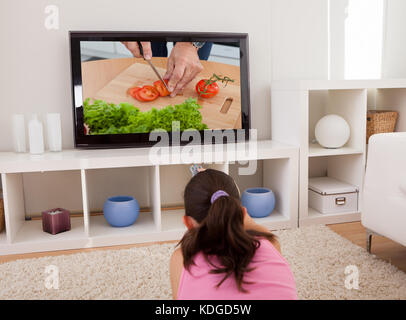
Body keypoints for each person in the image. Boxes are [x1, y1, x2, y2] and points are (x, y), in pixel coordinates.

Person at [170, 169, 298, 300]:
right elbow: (257, 228)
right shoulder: (270, 243)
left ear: (187, 223)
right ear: (243, 213)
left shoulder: (182, 260)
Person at [122, 41, 212, 98]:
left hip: (196, 22)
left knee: (190, 68)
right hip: (149, 19)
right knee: (152, 57)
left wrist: (192, 43)